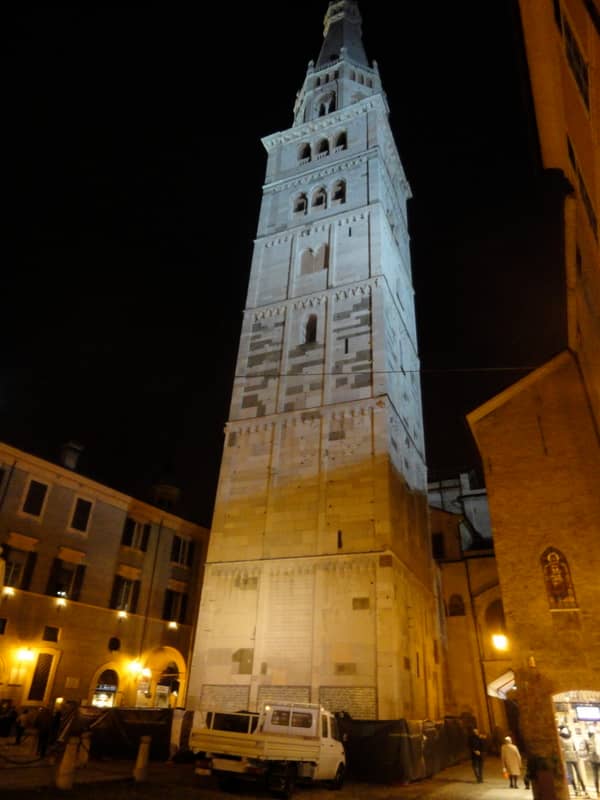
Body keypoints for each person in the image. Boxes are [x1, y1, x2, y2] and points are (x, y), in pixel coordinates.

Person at [560, 726, 587, 797]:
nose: (565, 731)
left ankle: (584, 789)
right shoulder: (560, 738)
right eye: (564, 730)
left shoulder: (571, 737)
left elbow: (575, 747)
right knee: (571, 775)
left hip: (574, 757)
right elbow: (561, 749)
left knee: (578, 773)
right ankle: (576, 790)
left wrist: (578, 755)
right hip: (567, 758)